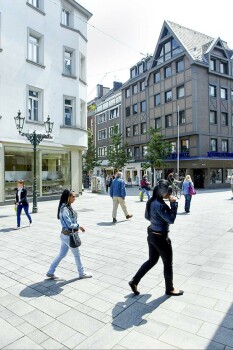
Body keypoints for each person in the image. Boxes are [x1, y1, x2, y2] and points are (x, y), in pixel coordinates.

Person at [128, 179, 183, 296]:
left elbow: (147, 217)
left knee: (152, 260)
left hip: (152, 234)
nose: (170, 195)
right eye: (169, 193)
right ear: (163, 193)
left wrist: (156, 221)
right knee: (168, 263)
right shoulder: (161, 205)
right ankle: (170, 289)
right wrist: (173, 204)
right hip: (161, 238)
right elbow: (171, 220)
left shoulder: (151, 201)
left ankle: (134, 281)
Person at [46, 189, 92, 279]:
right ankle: (82, 273)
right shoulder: (65, 209)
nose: (75, 198)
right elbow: (69, 224)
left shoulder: (67, 207)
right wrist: (79, 226)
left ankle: (50, 271)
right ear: (68, 197)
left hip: (65, 235)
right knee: (77, 255)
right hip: (68, 236)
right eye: (73, 196)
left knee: (62, 254)